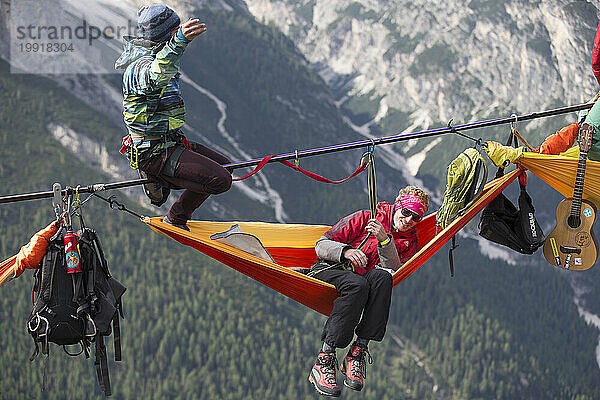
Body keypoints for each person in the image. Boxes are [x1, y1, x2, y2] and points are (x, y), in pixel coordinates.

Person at [115, 4, 232, 231]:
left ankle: (165, 190)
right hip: (152, 150)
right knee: (220, 180)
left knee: (227, 167)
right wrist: (179, 42)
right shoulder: (139, 67)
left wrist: (175, 43)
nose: (178, 32)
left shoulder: (155, 54)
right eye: (174, 30)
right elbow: (156, 75)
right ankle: (175, 217)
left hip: (170, 141)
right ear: (166, 34)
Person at [308, 186, 430, 397]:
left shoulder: (409, 241)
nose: (409, 220)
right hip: (329, 271)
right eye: (406, 212)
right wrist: (345, 251)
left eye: (416, 217)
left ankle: (358, 352)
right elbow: (321, 245)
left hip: (358, 283)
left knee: (383, 278)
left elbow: (395, 268)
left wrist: (385, 240)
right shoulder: (366, 218)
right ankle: (325, 359)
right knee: (358, 284)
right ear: (397, 204)